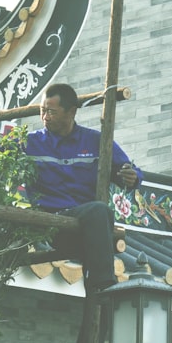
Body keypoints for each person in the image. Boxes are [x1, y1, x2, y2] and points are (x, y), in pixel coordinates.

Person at [20, 83, 142, 295]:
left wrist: (131, 177)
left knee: (98, 214)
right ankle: (105, 283)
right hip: (49, 225)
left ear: (71, 112)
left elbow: (130, 171)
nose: (45, 117)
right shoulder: (30, 142)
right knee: (99, 211)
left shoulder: (96, 141)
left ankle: (98, 293)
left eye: (51, 111)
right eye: (42, 111)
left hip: (85, 223)